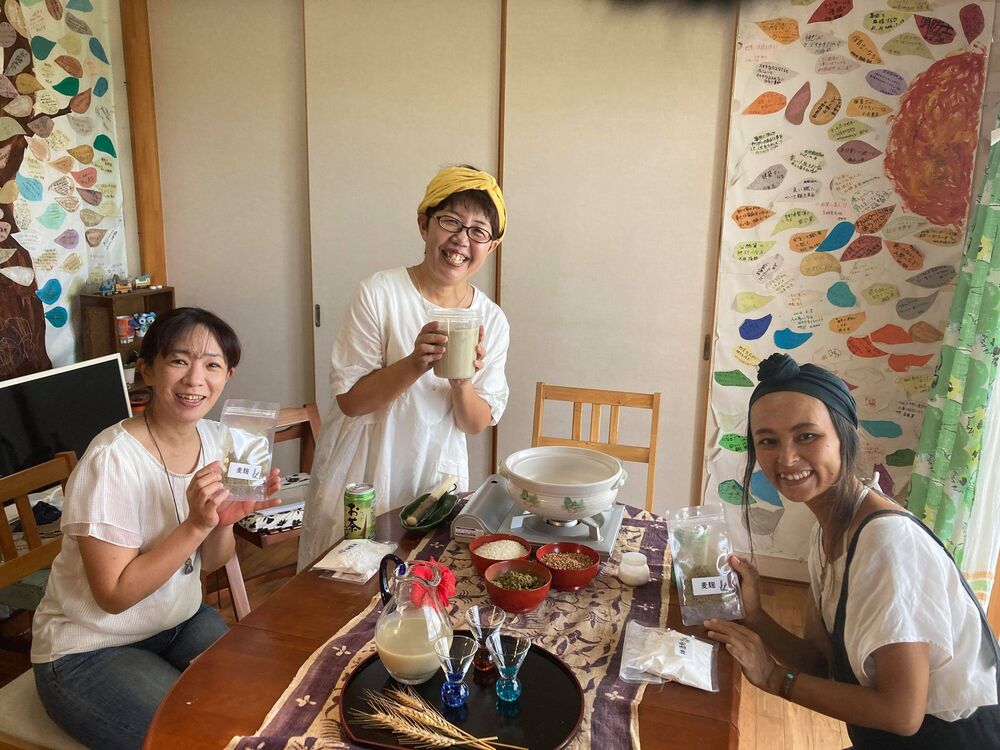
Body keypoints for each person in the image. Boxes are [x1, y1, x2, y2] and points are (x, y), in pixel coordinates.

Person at [705, 353, 1000, 748]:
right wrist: (755, 616)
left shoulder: (887, 542)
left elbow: (901, 714)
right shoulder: (827, 530)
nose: (786, 458)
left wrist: (774, 677)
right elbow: (821, 663)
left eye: (807, 436)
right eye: (768, 441)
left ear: (845, 436)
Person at [31, 307, 281, 750]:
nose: (195, 379)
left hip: (179, 622)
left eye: (212, 365)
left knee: (264, 705)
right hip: (90, 648)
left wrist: (221, 525)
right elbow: (113, 596)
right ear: (146, 370)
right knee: (195, 739)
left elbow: (212, 562)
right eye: (179, 360)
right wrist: (196, 524)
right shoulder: (112, 459)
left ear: (228, 376)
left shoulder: (219, 441)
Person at [298, 166, 510, 570]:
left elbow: (474, 424)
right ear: (424, 224)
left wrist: (462, 383)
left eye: (478, 231)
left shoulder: (492, 319)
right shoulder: (380, 293)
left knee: (421, 578)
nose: (461, 240)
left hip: (434, 472)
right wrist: (414, 363)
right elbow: (350, 402)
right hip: (364, 470)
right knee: (347, 580)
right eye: (450, 221)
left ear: (492, 246)